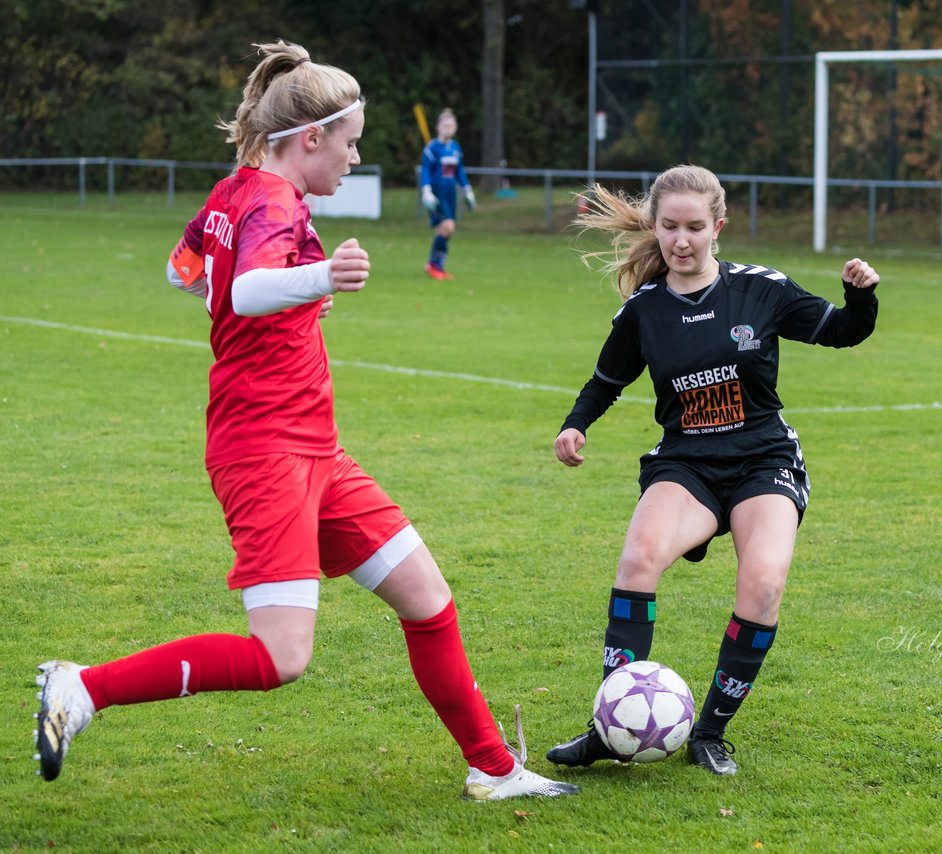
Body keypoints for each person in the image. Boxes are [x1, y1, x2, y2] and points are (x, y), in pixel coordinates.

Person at [32, 41, 577, 803]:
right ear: (312, 139)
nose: (355, 158)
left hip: (315, 449)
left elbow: (180, 270)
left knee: (427, 598)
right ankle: (82, 687)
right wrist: (321, 278)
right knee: (279, 657)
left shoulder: (235, 191)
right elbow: (249, 287)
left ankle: (493, 769)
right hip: (266, 452)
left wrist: (269, 296)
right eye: (350, 143)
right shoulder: (273, 201)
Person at [545, 164, 880, 776]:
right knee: (638, 559)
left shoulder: (762, 290)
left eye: (694, 227)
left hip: (763, 459)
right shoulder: (644, 311)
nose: (680, 240)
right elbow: (606, 381)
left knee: (763, 586)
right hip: (687, 463)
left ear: (717, 227)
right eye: (669, 226)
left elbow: (844, 330)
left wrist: (861, 293)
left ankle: (710, 734)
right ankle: (609, 725)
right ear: (654, 226)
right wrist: (576, 425)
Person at [419, 108, 475, 280]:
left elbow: (459, 172)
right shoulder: (432, 149)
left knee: (445, 230)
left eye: (451, 125)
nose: (448, 127)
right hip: (437, 192)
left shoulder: (455, 148)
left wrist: (467, 190)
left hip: (450, 192)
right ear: (438, 126)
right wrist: (426, 190)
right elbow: (426, 171)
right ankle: (435, 266)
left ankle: (434, 265)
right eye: (445, 124)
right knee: (448, 227)